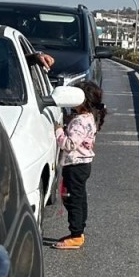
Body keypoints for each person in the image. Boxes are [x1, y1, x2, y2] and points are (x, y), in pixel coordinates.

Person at [52, 80, 105, 250]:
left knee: (72, 200)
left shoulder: (79, 122)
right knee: (79, 197)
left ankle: (76, 235)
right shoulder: (88, 118)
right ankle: (79, 230)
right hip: (83, 165)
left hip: (75, 166)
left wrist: (59, 130)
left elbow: (69, 144)